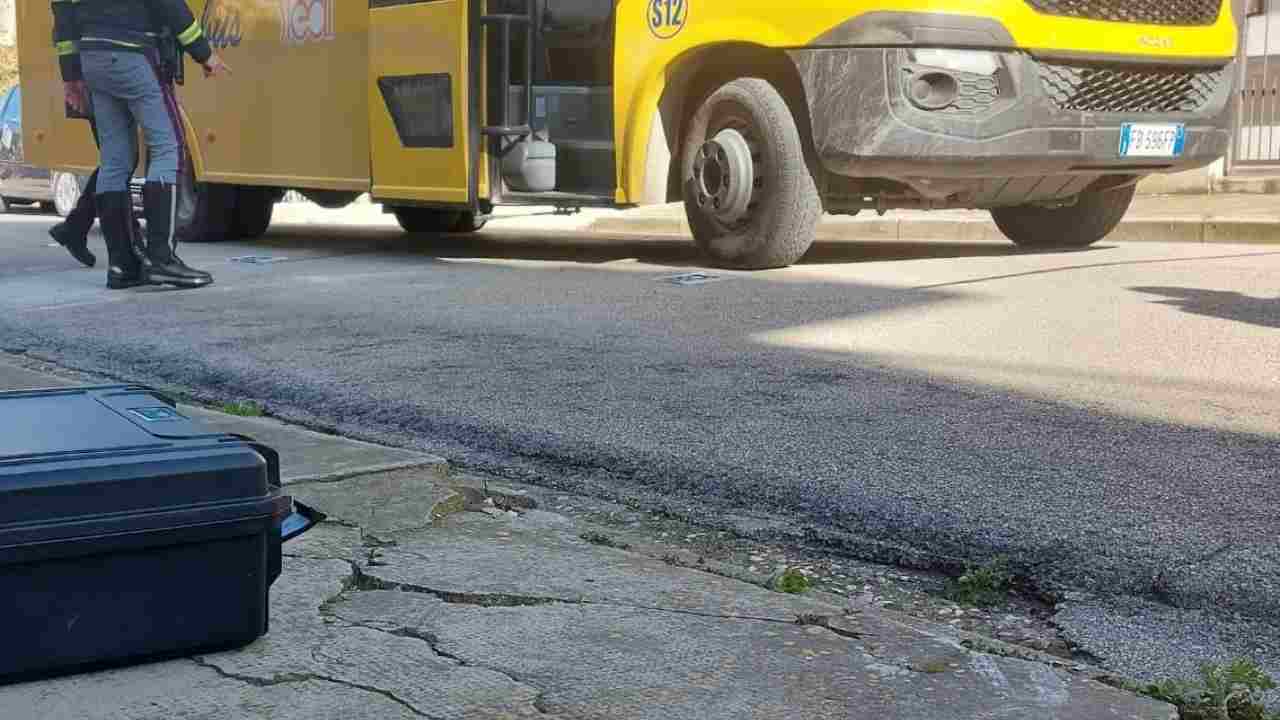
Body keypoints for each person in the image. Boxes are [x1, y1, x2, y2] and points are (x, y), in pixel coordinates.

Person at [52, 0, 229, 290]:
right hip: (134, 55)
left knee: (115, 160)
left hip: (92, 59)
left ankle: (122, 267)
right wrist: (204, 54)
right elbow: (170, 5)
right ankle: (162, 260)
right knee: (168, 146)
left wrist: (70, 75)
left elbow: (62, 15)